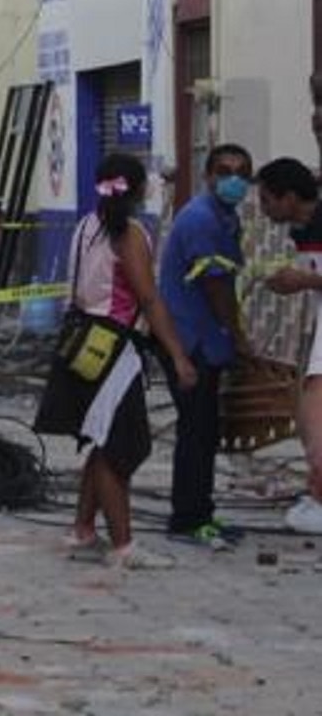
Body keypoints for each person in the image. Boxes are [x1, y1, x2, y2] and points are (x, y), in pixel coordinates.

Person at [33, 154, 197, 568]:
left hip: (80, 342)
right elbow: (149, 299)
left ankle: (83, 529)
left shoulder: (86, 226)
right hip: (113, 350)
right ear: (140, 189)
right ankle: (123, 546)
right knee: (120, 448)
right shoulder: (129, 234)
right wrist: (178, 356)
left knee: (101, 437)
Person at [159, 143, 255, 550]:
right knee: (196, 430)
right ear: (208, 175)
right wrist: (238, 335)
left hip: (203, 337)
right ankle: (188, 518)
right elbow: (215, 286)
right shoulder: (201, 219)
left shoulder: (224, 216)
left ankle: (200, 511)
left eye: (242, 173)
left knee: (204, 428)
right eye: (224, 171)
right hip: (189, 338)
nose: (234, 180)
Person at [254, 157, 322, 534]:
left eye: (267, 200)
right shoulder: (301, 229)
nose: (263, 209)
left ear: (290, 198)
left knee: (314, 408)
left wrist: (302, 282)